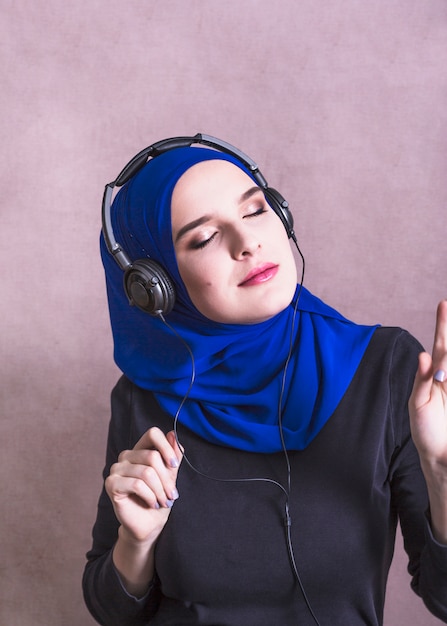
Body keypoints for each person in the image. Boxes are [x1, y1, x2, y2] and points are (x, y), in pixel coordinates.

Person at [83, 135, 447, 626]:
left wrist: (443, 473)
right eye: (204, 237)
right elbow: (112, 611)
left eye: (255, 211)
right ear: (157, 286)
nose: (248, 242)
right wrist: (136, 542)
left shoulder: (388, 367)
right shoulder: (142, 397)